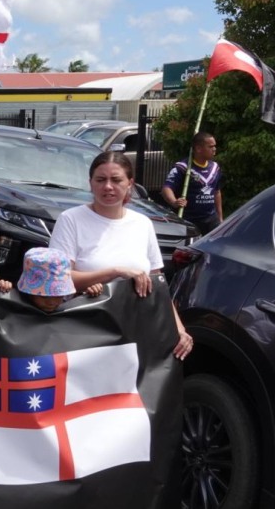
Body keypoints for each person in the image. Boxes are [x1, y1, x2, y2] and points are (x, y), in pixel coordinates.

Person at [48, 151, 193, 361]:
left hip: (135, 335)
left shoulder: (142, 224)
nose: (108, 186)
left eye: (116, 180)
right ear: (90, 183)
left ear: (130, 184)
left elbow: (158, 284)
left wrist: (178, 328)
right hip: (84, 334)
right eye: (101, 179)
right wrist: (115, 272)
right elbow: (59, 280)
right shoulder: (71, 220)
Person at [161, 132, 223, 234]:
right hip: (190, 221)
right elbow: (166, 189)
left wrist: (220, 218)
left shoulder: (215, 167)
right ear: (198, 148)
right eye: (210, 146)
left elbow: (217, 192)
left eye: (215, 146)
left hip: (212, 220)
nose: (214, 149)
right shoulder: (182, 168)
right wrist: (174, 202)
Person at [16, 247, 78, 313]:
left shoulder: (67, 309)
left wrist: (88, 297)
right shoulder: (17, 307)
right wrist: (5, 288)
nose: (51, 303)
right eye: (44, 296)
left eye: (58, 295)